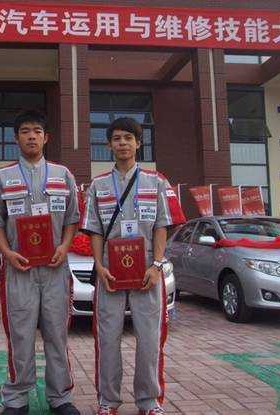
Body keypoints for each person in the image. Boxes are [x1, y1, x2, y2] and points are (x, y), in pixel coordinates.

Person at [81, 117, 185, 415]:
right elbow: (95, 230)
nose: (123, 143)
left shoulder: (157, 181)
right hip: (110, 273)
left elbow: (162, 226)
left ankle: (149, 402)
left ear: (139, 143)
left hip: (147, 273)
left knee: (150, 339)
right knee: (107, 339)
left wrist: (157, 265)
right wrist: (99, 266)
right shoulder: (98, 185)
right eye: (117, 138)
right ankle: (108, 401)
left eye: (128, 138)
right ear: (108, 145)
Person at [0, 110, 81, 415]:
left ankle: (60, 397)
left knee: (57, 334)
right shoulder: (2, 177)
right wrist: (6, 252)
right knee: (20, 335)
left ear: (46, 137)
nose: (31, 136)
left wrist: (64, 246)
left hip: (54, 269)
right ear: (16, 138)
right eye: (25, 131)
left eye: (37, 131)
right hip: (19, 269)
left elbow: (72, 218)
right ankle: (17, 399)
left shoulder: (63, 175)